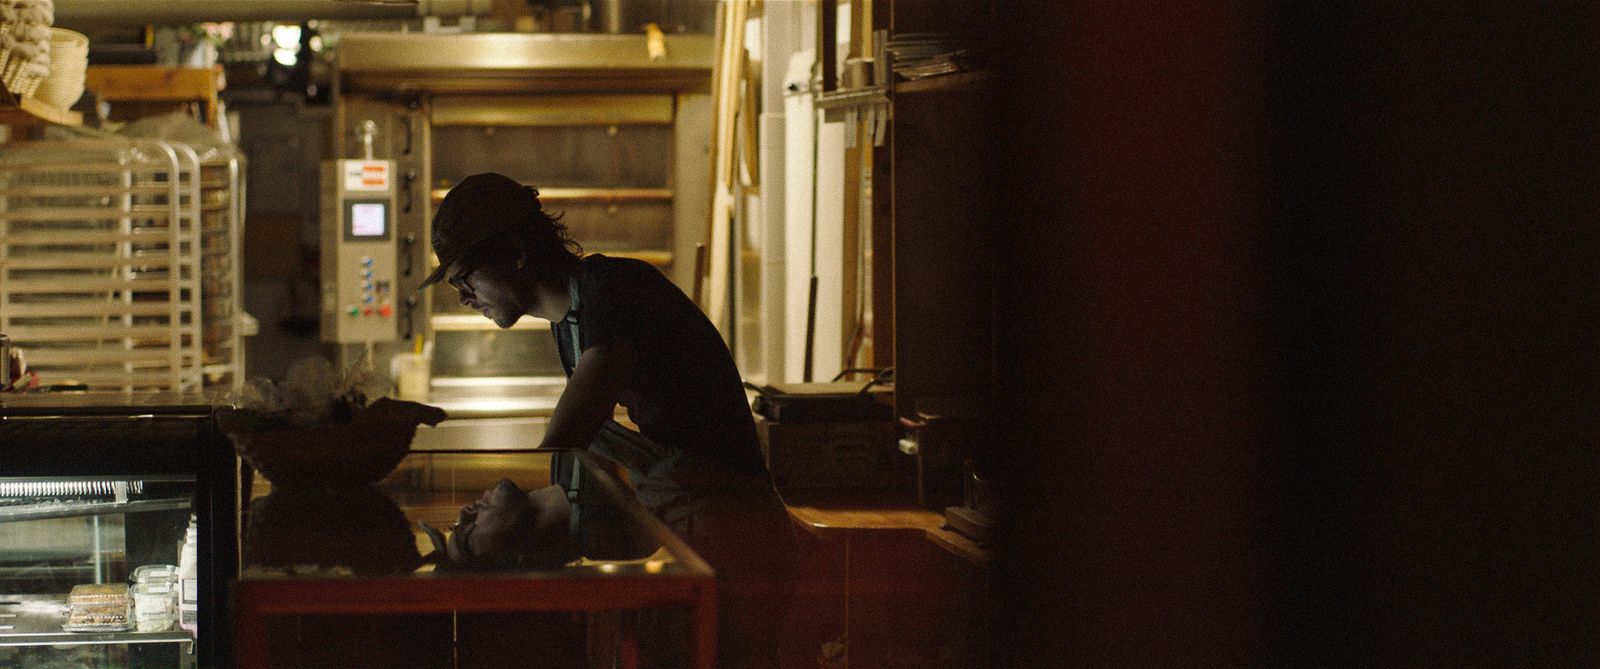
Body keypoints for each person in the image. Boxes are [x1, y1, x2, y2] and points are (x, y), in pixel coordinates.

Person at [417, 172, 796, 667]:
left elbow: (569, 435)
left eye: (465, 278)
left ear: (513, 252)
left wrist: (498, 532)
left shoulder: (614, 290)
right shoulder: (571, 321)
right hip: (691, 541)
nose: (464, 298)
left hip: (730, 544)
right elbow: (594, 474)